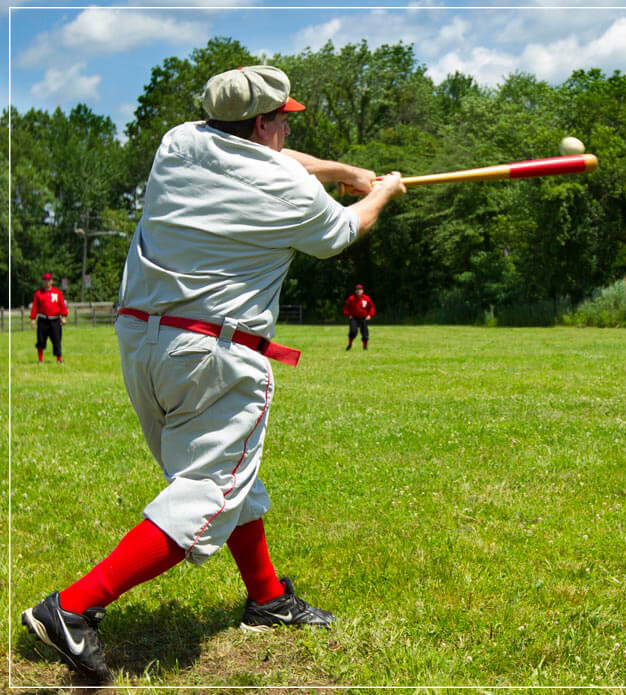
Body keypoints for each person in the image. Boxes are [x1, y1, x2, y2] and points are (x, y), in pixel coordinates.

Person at [21, 65, 406, 683]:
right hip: (215, 354)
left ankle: (267, 597)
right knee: (208, 492)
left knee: (230, 478)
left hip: (144, 346)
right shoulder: (287, 188)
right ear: (261, 123)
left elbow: (272, 160)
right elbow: (343, 231)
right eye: (282, 118)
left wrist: (342, 172)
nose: (286, 127)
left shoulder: (179, 143)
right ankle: (72, 607)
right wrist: (380, 192)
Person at [29, 272, 68, 364]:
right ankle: (40, 360)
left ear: (52, 281)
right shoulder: (38, 293)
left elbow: (62, 306)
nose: (47, 282)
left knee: (57, 340)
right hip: (43, 320)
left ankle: (59, 359)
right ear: (43, 281)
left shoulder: (57, 293)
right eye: (45, 280)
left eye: (49, 280)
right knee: (41, 340)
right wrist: (33, 319)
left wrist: (64, 317)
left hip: (55, 320)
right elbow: (35, 307)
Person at [343, 283, 375, 350]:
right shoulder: (351, 298)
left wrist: (370, 315)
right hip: (354, 318)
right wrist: (348, 315)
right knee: (353, 332)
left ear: (362, 291)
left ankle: (365, 347)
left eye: (360, 289)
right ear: (355, 291)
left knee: (365, 333)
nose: (358, 291)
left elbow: (371, 307)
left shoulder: (366, 298)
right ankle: (349, 344)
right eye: (357, 289)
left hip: (363, 318)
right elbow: (346, 308)